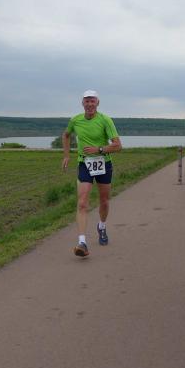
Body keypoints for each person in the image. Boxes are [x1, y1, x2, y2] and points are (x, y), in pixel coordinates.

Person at [62, 90, 122, 258]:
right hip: (84, 164)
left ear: (97, 103)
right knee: (82, 203)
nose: (89, 104)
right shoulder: (75, 120)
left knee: (104, 201)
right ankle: (82, 242)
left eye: (92, 101)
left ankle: (101, 226)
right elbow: (66, 135)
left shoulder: (105, 120)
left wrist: (99, 149)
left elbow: (118, 145)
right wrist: (66, 155)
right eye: (86, 101)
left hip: (104, 163)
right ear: (82, 103)